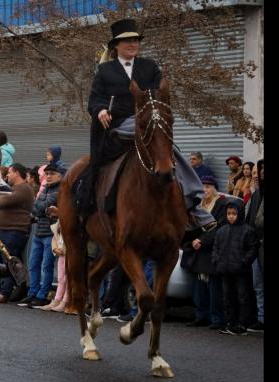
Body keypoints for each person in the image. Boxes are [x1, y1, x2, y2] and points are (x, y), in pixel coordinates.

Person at [75, 19, 216, 232]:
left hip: (148, 121)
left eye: (135, 41)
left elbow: (160, 92)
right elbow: (94, 99)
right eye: (127, 41)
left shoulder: (149, 67)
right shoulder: (105, 71)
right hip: (120, 125)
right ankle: (94, 206)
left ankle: (194, 206)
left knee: (171, 151)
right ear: (116, 46)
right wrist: (101, 110)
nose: (133, 44)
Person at [182, 176, 228, 329]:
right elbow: (191, 225)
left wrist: (202, 241)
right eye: (203, 186)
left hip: (212, 251)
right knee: (198, 288)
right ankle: (201, 315)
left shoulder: (221, 204)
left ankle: (217, 318)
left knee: (215, 289)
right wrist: (192, 241)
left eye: (208, 186)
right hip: (197, 253)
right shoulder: (197, 206)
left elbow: (220, 227)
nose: (205, 189)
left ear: (214, 188)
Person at [0, 163, 34, 303]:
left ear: (17, 173)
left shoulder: (24, 188)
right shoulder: (12, 188)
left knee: (9, 261)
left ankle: (4, 293)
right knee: (0, 261)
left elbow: (2, 201)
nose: (7, 176)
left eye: (9, 173)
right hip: (4, 230)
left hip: (15, 230)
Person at [18, 164, 62, 308]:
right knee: (33, 264)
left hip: (51, 233)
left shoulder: (60, 190)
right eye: (47, 173)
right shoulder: (44, 189)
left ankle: (42, 296)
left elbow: (41, 207)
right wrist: (42, 208)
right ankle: (32, 293)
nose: (48, 176)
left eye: (52, 173)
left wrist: (41, 207)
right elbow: (36, 208)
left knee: (47, 266)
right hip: (39, 233)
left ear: (59, 175)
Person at [212, 200, 259, 335]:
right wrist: (216, 261)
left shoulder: (248, 231)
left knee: (243, 298)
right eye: (228, 213)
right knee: (227, 297)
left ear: (240, 214)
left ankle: (242, 324)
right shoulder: (222, 231)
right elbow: (216, 247)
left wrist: (244, 261)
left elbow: (253, 248)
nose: (231, 216)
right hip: (225, 270)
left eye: (234, 213)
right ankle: (230, 323)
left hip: (241, 271)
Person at [245, 159, 264, 332]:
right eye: (258, 171)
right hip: (256, 247)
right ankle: (261, 318)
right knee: (258, 285)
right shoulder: (256, 194)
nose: (258, 175)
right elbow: (250, 218)